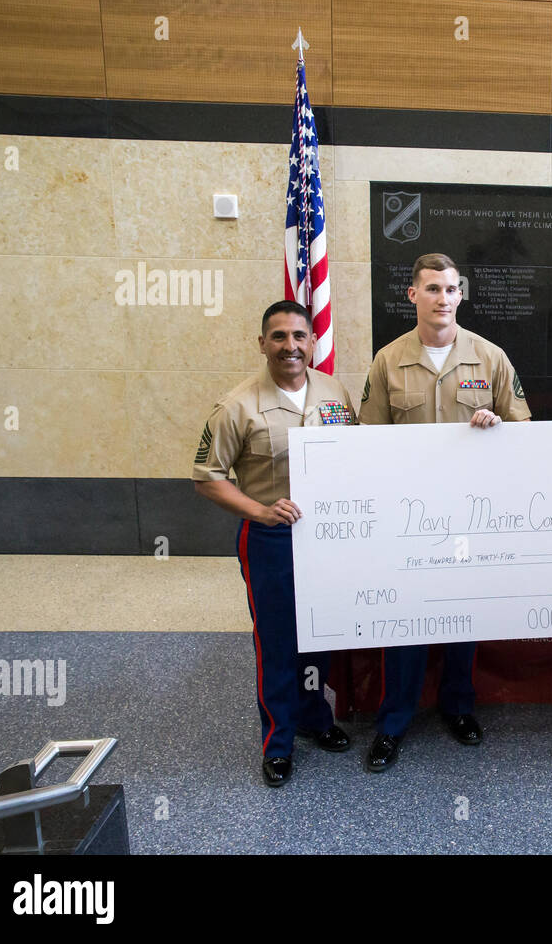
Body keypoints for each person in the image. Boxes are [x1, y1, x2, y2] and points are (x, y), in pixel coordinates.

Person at [359, 252, 531, 772]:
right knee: (406, 618)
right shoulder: (388, 361)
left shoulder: (491, 357)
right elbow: (367, 439)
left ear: (461, 295)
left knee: (462, 614)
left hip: (469, 515)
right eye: (432, 288)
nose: (442, 298)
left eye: (451, 289)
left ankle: (458, 708)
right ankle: (394, 722)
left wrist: (498, 422)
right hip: (409, 516)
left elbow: (524, 427)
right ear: (412, 295)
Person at [192, 300, 355, 788]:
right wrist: (261, 510)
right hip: (271, 538)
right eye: (279, 337)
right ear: (262, 343)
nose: (290, 346)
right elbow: (206, 477)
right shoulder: (236, 406)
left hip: (327, 538)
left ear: (312, 342)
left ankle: (314, 716)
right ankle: (278, 742)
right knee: (278, 642)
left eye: (299, 336)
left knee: (320, 633)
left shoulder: (333, 391)